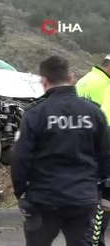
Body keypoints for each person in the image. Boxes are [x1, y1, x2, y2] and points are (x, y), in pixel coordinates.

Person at [11, 55, 110, 246]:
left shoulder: (35, 115)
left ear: (44, 81)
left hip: (44, 200)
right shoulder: (94, 113)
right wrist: (104, 192)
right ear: (71, 78)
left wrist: (21, 194)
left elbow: (20, 158)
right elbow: (106, 156)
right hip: (83, 200)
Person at [76, 54, 110, 246]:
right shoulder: (105, 86)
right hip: (98, 154)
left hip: (79, 151)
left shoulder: (84, 81)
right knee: (103, 203)